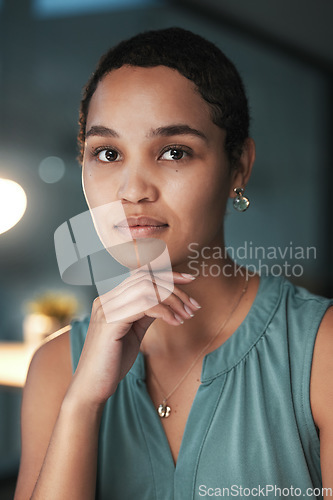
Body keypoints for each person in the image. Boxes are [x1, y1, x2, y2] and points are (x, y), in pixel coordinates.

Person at [14, 27, 333, 500]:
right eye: (107, 153)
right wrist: (81, 404)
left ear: (238, 167)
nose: (133, 190)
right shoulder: (57, 368)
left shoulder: (319, 353)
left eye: (173, 152)